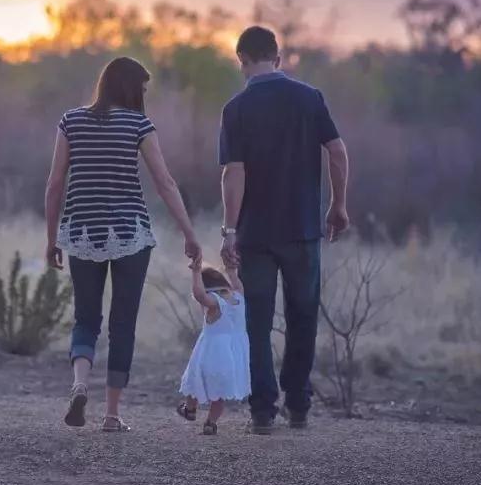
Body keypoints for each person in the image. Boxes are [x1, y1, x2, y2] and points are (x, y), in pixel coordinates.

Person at [44, 56, 201, 432]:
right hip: (130, 234)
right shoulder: (139, 124)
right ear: (131, 88)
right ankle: (112, 415)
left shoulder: (72, 121)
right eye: (143, 89)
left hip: (81, 233)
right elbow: (164, 183)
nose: (144, 96)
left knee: (85, 318)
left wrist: (52, 239)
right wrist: (189, 233)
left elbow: (54, 184)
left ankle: (80, 384)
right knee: (123, 324)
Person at [218, 26, 351, 434]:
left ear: (241, 60)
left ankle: (262, 411)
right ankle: (298, 405)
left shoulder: (236, 108)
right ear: (278, 58)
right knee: (303, 316)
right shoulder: (309, 98)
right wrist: (338, 204)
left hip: (256, 234)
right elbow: (337, 151)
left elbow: (233, 173)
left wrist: (229, 231)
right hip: (303, 229)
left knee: (256, 322)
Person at [176, 260, 251, 435]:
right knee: (219, 393)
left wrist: (195, 273)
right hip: (233, 355)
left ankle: (190, 409)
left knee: (195, 379)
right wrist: (232, 270)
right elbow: (237, 283)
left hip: (211, 352)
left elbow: (199, 294)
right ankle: (211, 422)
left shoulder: (214, 302)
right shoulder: (239, 297)